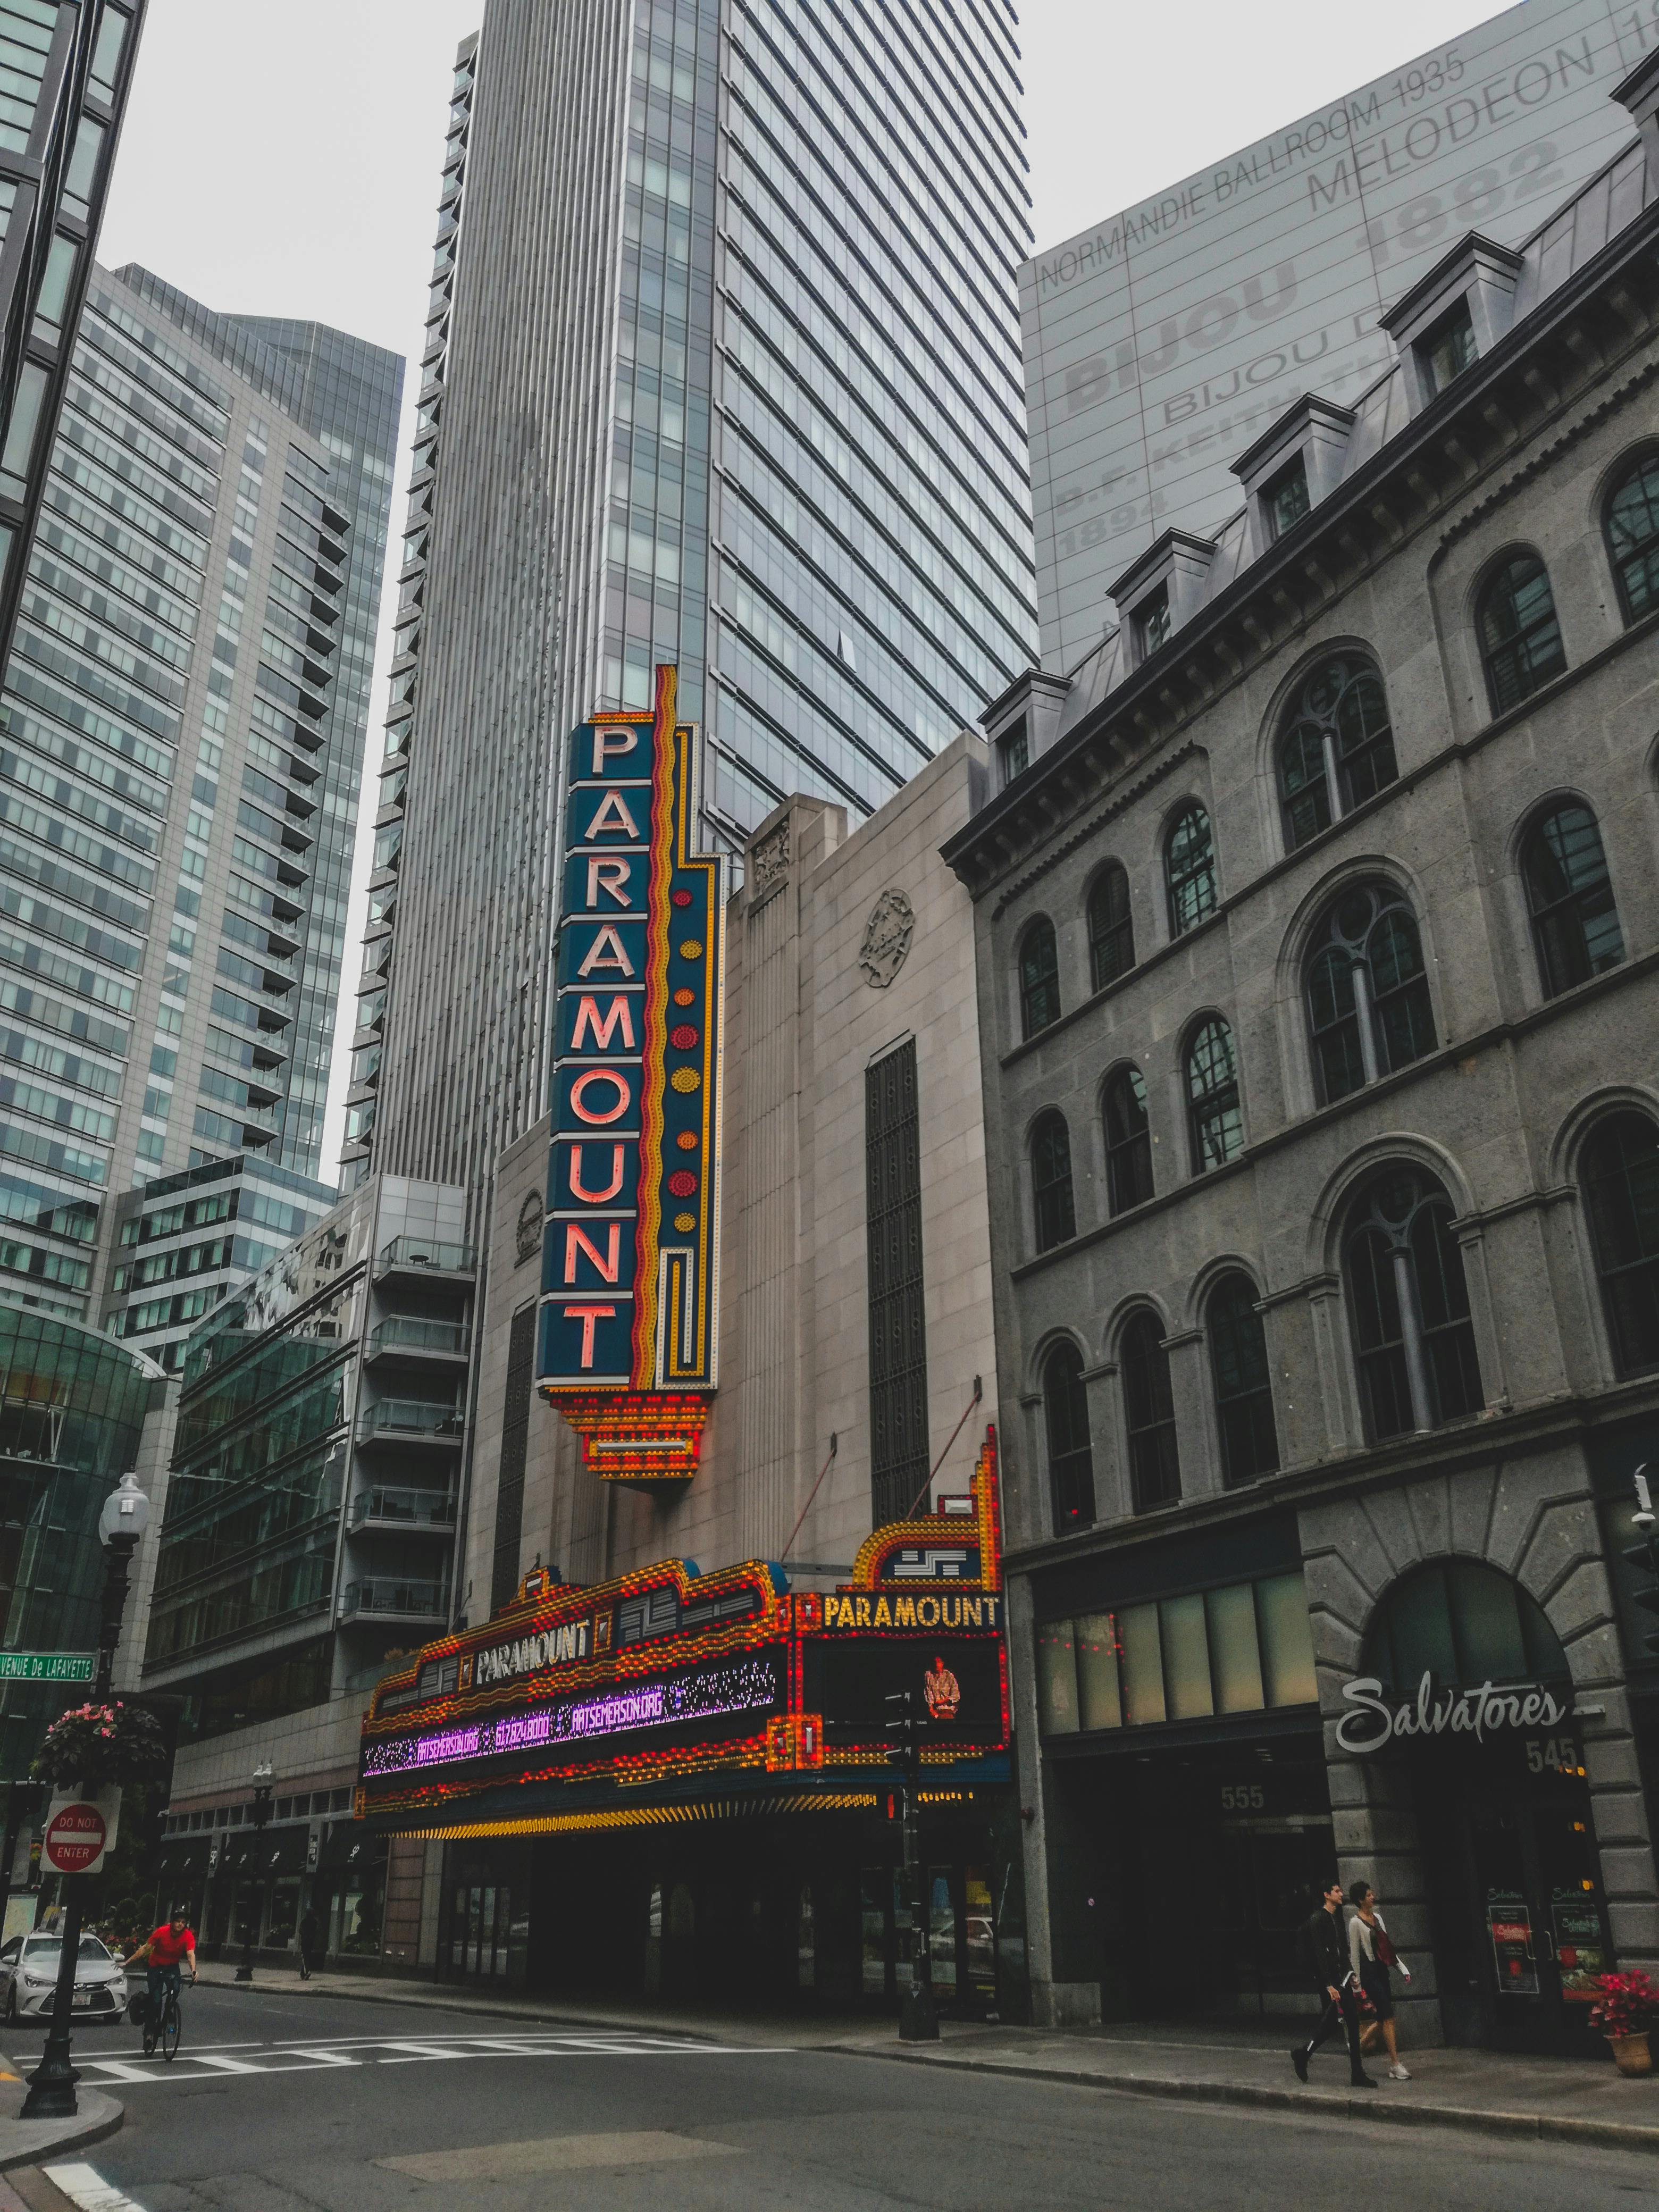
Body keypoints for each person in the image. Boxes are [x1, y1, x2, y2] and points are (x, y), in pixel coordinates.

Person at [1292, 1876, 1374, 2087]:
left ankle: (1305, 2054)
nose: (1341, 1894)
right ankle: (1355, 2073)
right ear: (1326, 1895)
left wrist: (1351, 1974)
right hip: (1331, 1981)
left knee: (1338, 2023)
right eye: (1336, 1891)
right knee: (1344, 2022)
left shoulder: (1335, 1918)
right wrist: (1329, 1984)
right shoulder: (1318, 1919)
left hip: (1342, 1978)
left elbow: (1341, 1950)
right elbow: (1320, 1953)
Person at [1348, 1881, 1411, 2081]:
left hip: (1382, 1971)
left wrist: (1402, 1969)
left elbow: (1387, 1948)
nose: (1372, 1897)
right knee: (1389, 2017)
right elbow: (1355, 1955)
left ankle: (1357, 2046)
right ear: (1360, 1900)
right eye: (1368, 1895)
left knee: (1383, 2018)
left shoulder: (1378, 1919)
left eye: (1372, 1894)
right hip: (1368, 1973)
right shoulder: (1355, 1923)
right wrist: (1356, 1983)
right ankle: (1395, 2065)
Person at [124, 1906, 198, 2022]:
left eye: (183, 1923)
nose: (180, 1925)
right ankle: (149, 2033)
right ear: (173, 1922)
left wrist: (193, 1970)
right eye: (178, 1922)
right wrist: (128, 1961)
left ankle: (169, 2012)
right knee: (156, 2000)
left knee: (176, 1989)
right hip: (156, 1967)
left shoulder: (188, 1936)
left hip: (172, 1967)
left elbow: (190, 1955)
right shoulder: (162, 1932)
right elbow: (146, 1948)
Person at [297, 1906, 320, 1982]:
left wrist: (305, 1935)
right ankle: (303, 1973)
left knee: (305, 1956)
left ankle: (307, 1971)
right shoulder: (315, 1922)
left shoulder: (304, 1921)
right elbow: (316, 1931)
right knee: (308, 1956)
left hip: (305, 1941)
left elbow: (300, 1931)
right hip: (311, 1941)